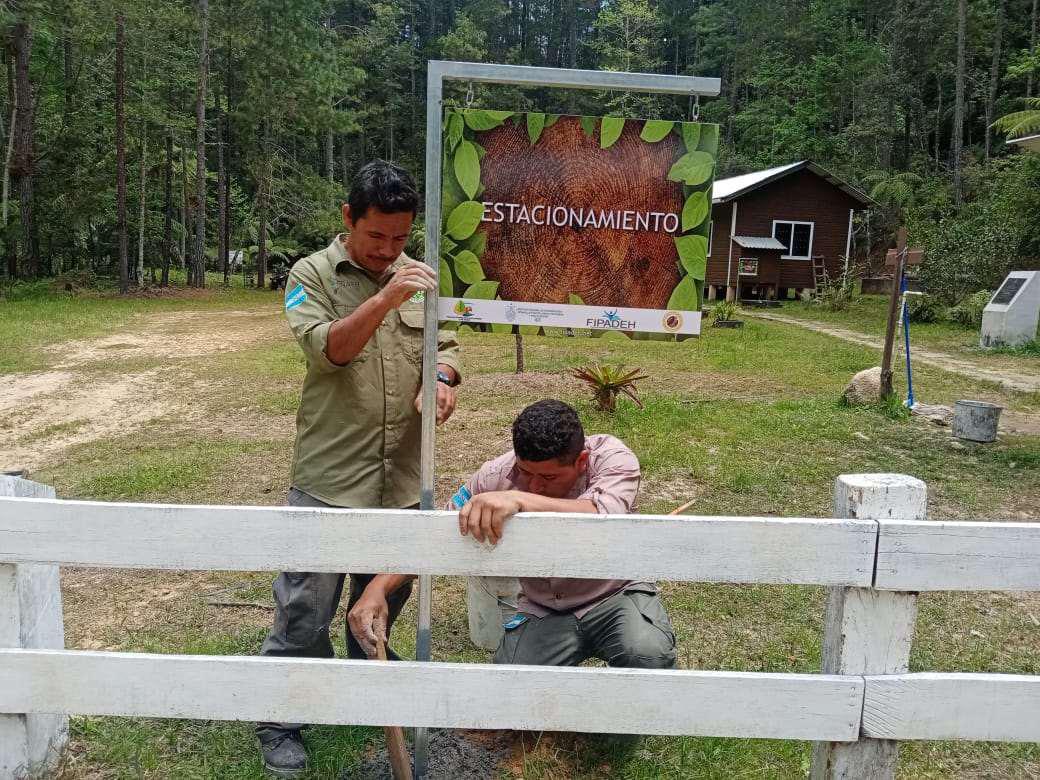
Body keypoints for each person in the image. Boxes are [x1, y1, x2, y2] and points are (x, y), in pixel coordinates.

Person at [256, 159, 462, 778]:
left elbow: (445, 348)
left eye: (400, 238)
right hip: (329, 476)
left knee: (381, 602)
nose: (389, 250)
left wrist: (444, 381)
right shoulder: (309, 275)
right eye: (377, 237)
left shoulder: (419, 275)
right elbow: (332, 351)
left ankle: (365, 676)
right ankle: (280, 719)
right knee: (304, 608)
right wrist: (386, 297)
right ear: (348, 219)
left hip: (399, 477)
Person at [348, 399, 676, 673]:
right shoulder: (494, 476)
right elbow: (439, 536)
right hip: (544, 607)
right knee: (509, 689)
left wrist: (519, 500)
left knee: (646, 654)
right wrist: (377, 588)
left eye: (548, 477)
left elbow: (608, 516)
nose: (534, 485)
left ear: (581, 461)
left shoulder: (612, 458)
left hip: (613, 595)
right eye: (525, 473)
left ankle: (615, 740)